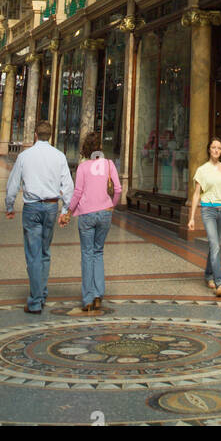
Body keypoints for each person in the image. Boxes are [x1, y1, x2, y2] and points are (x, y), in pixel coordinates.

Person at [5, 120, 74, 314]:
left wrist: (9, 206)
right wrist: (65, 211)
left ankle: (35, 300)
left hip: (32, 208)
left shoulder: (25, 156)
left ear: (35, 134)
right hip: (52, 207)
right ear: (51, 136)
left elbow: (13, 185)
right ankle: (42, 292)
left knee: (33, 253)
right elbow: (68, 187)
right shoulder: (59, 156)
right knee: (45, 251)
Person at [68, 131, 122, 313]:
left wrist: (70, 211)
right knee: (98, 251)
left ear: (85, 148)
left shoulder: (82, 167)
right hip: (104, 213)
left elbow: (77, 192)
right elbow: (118, 188)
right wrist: (111, 205)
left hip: (87, 214)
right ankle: (99, 294)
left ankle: (88, 298)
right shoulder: (109, 164)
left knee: (87, 253)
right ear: (100, 147)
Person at [187, 137, 221, 297]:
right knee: (215, 245)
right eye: (213, 147)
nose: (216, 150)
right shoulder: (202, 170)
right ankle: (219, 282)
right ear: (209, 149)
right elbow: (196, 194)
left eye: (219, 148)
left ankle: (208, 275)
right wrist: (191, 217)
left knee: (214, 245)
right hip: (208, 210)